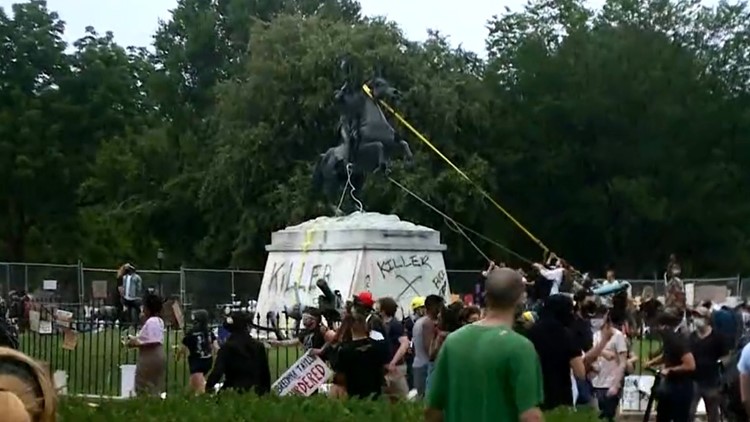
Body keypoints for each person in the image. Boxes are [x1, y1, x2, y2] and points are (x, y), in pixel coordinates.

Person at [425, 268, 544, 422]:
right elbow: (530, 416)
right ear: (521, 299)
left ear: (486, 297)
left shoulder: (453, 342)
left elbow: (433, 410)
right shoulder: (520, 347)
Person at [526, 294, 586, 410]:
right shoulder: (567, 334)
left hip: (536, 394)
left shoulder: (532, 332)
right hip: (561, 398)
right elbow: (580, 372)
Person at [646, 311, 696, 422]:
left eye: (657, 327)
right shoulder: (668, 340)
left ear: (664, 326)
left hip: (682, 387)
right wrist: (651, 363)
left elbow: (690, 365)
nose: (656, 330)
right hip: (670, 384)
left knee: (679, 418)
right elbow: (667, 355)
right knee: (662, 416)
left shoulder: (677, 341)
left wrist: (669, 370)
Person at [205, 311, 271, 395]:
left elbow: (218, 371)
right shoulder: (259, 346)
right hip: (255, 392)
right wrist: (265, 392)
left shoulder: (227, 347)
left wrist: (208, 387)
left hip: (233, 391)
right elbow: (265, 374)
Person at [332, 307, 390, 399]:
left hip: (354, 397)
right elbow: (384, 369)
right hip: (375, 395)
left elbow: (340, 379)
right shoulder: (377, 346)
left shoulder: (345, 350)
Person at [688, 306, 729, 422]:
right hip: (694, 380)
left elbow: (726, 355)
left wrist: (720, 366)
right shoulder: (691, 337)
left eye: (699, 316)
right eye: (694, 316)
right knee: (689, 411)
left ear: (707, 319)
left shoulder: (717, 337)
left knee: (713, 414)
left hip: (712, 381)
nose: (695, 319)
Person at [125, 293, 166, 397]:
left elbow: (151, 340)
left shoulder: (152, 322)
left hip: (150, 356)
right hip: (157, 354)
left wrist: (134, 342)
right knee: (153, 384)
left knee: (143, 384)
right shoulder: (158, 321)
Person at [590, 312, 628, 421]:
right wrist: (602, 352)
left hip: (611, 382)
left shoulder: (618, 336)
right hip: (596, 381)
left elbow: (623, 362)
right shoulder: (595, 335)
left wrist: (616, 384)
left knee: (609, 415)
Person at [377, 297, 410, 399]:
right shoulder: (383, 324)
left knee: (402, 396)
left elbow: (405, 343)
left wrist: (393, 362)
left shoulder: (395, 325)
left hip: (396, 367)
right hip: (387, 368)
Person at [412, 294, 443, 397]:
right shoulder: (428, 323)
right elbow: (429, 350)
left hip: (418, 363)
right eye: (440, 306)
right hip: (425, 367)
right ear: (434, 307)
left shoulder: (419, 322)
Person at [180, 309, 216, 394]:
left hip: (196, 361)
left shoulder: (192, 332)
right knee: (193, 384)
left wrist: (178, 355)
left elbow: (184, 347)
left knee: (200, 389)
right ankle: (188, 398)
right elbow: (215, 345)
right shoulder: (209, 332)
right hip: (208, 360)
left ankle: (208, 396)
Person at [403, 296, 425, 390]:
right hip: (412, 353)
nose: (424, 310)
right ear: (417, 309)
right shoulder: (409, 322)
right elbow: (408, 337)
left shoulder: (425, 321)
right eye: (422, 308)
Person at [117, 263, 143, 327]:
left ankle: (138, 325)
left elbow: (139, 287)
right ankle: (127, 325)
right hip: (126, 297)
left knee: (137, 312)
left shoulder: (137, 277)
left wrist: (138, 296)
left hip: (135, 298)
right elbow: (123, 286)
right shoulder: (124, 277)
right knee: (127, 312)